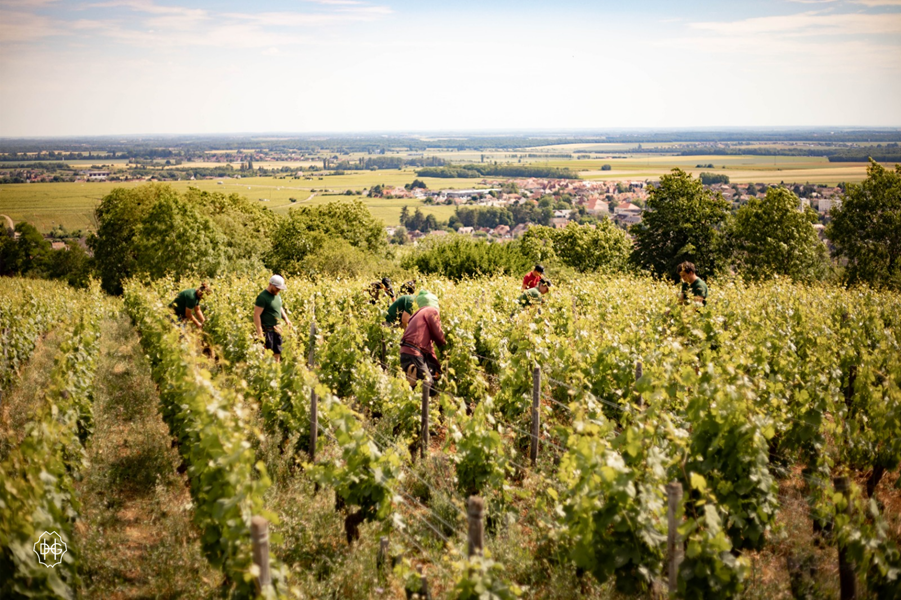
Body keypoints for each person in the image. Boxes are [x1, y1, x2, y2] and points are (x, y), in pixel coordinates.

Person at [400, 291, 446, 393]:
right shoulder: (432, 311)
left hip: (405, 352)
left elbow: (429, 347)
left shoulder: (417, 314)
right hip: (414, 353)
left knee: (414, 388)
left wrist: (437, 365)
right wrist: (445, 348)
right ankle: (426, 408)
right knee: (429, 387)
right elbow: (438, 335)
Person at [254, 274, 293, 362]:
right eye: (277, 288)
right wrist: (259, 332)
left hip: (277, 330)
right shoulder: (262, 297)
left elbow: (279, 307)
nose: (278, 290)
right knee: (267, 357)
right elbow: (256, 315)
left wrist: (286, 319)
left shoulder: (277, 295)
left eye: (280, 288)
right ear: (270, 284)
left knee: (277, 355)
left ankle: (276, 374)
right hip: (268, 331)